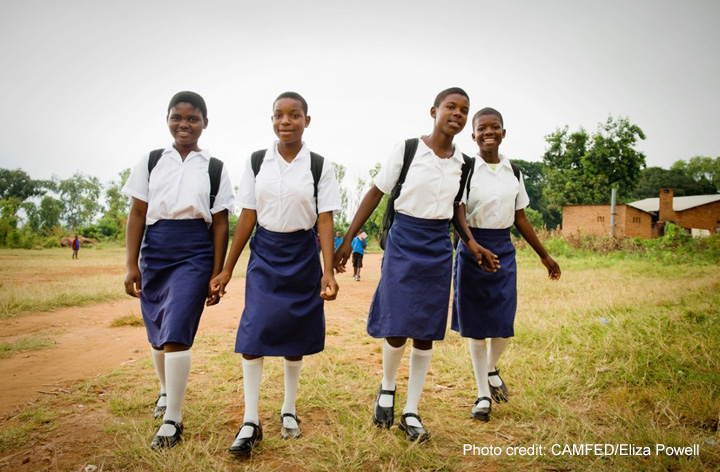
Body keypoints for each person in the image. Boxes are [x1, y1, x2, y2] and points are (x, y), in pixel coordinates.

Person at [334, 87, 497, 443]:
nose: (457, 113)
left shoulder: (464, 164)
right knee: (397, 321)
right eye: (450, 107)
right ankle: (387, 387)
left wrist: (470, 243)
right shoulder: (408, 150)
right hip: (404, 238)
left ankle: (411, 410)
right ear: (434, 111)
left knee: (426, 330)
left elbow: (457, 209)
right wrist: (347, 238)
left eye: (463, 109)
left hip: (439, 246)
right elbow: (376, 192)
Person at [209, 91, 341, 456]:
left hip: (302, 254)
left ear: (306, 121)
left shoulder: (318, 165)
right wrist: (226, 270)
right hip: (265, 254)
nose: (286, 121)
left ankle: (288, 410)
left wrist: (327, 271)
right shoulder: (256, 162)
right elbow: (247, 217)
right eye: (279, 115)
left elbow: (326, 218)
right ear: (271, 121)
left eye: (294, 115)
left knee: (295, 332)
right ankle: (250, 419)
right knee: (255, 332)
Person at [122, 91, 233, 450]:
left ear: (204, 123)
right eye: (176, 117)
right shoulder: (152, 161)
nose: (184, 124)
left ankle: (173, 419)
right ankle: (165, 391)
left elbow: (220, 223)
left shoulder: (214, 168)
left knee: (177, 329)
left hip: (194, 252)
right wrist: (131, 264)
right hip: (155, 249)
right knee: (157, 327)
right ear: (167, 120)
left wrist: (218, 271)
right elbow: (138, 213)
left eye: (192, 118)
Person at [452, 107, 561, 422]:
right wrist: (471, 245)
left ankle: (490, 368)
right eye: (482, 128)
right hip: (472, 246)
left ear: (503, 132)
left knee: (503, 324)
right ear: (473, 135)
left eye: (494, 127)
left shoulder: (514, 171)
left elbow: (520, 217)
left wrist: (544, 254)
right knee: (474, 325)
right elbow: (458, 209)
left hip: (502, 246)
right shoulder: (466, 168)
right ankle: (483, 394)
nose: (489, 132)